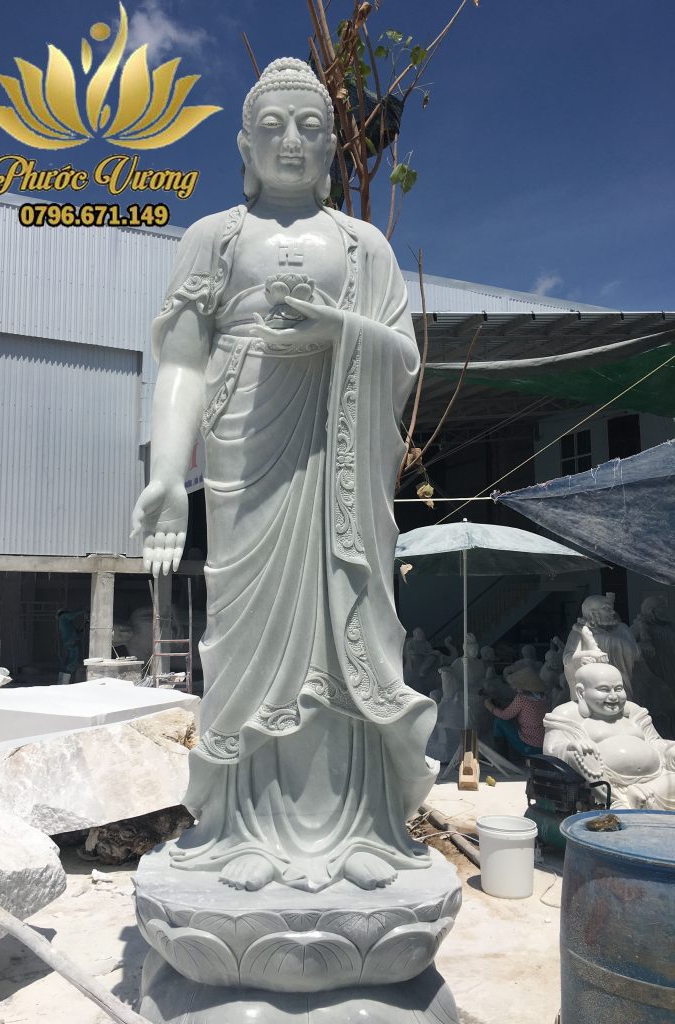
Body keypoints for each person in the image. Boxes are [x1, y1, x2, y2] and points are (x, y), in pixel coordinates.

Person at [130, 58, 435, 893]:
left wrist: (339, 331)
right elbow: (183, 362)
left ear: (334, 147)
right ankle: (241, 829)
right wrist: (168, 476)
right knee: (249, 645)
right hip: (247, 456)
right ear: (243, 146)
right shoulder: (216, 237)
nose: (291, 141)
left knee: (344, 631)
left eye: (309, 127)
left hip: (338, 468)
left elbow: (402, 358)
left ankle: (363, 825)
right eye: (272, 128)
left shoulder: (363, 246)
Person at [544, 662, 675, 809]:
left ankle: (645, 792)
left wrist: (669, 748)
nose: (613, 696)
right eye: (604, 690)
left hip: (658, 776)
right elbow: (551, 748)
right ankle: (616, 801)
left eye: (618, 689)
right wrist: (570, 746)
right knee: (581, 753)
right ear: (581, 692)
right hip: (608, 785)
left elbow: (654, 741)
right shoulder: (567, 715)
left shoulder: (634, 712)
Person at [484, 664, 548, 756]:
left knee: (499, 722)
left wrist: (490, 706)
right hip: (543, 745)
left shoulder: (522, 699)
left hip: (530, 746)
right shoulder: (544, 697)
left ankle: (501, 758)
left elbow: (505, 715)